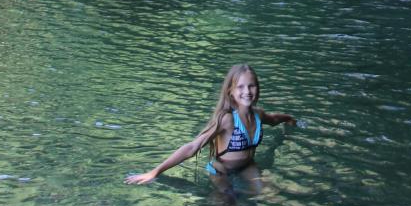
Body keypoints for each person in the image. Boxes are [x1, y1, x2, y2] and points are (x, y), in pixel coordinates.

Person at [125, 63, 295, 185]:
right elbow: (193, 147)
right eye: (240, 87)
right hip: (222, 172)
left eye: (251, 86)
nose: (247, 92)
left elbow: (273, 119)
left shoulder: (258, 114)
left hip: (248, 167)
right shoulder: (227, 120)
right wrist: (155, 172)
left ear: (258, 88)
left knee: (261, 200)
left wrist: (289, 119)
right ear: (231, 91)